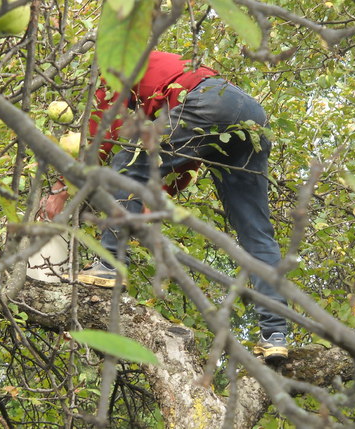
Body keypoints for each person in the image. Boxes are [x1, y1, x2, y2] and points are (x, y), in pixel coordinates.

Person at [44, 51, 288, 362]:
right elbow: (181, 170)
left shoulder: (116, 63)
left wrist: (62, 188)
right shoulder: (169, 81)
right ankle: (274, 335)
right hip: (250, 115)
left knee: (127, 160)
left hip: (208, 101)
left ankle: (108, 266)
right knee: (256, 231)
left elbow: (103, 134)